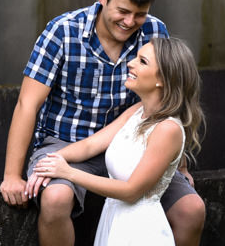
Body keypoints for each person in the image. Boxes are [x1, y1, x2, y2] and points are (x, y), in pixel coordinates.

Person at [0, 0, 205, 246]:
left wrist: (179, 165)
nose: (130, 21)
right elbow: (27, 104)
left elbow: (169, 99)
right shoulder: (62, 32)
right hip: (67, 140)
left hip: (133, 143)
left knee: (191, 210)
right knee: (56, 199)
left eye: (140, 14)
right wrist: (12, 176)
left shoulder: (155, 33)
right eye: (123, 11)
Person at [30, 37, 204, 246]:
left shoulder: (167, 129)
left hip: (140, 232)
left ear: (163, 80)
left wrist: (68, 173)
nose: (130, 63)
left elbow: (131, 191)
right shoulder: (136, 111)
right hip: (115, 222)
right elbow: (90, 145)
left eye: (142, 61)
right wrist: (48, 163)